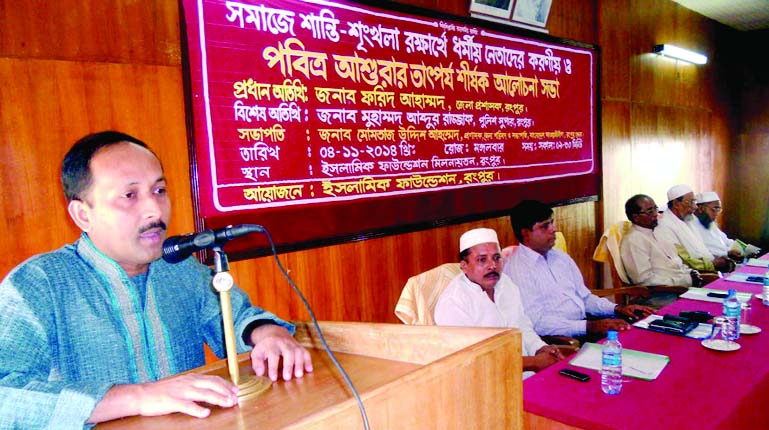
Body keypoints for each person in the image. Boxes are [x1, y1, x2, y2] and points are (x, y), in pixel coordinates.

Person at [0, 131, 313, 428]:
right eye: (129, 195)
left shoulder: (178, 269)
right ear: (83, 215)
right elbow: (6, 397)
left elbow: (236, 318)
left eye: (159, 191)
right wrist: (138, 397)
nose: (154, 209)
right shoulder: (38, 285)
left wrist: (268, 334)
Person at [502, 200, 654, 342]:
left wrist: (618, 309)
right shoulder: (517, 270)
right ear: (525, 233)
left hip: (586, 325)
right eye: (545, 226)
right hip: (561, 340)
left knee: (646, 336)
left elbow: (585, 298)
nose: (553, 229)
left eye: (552, 223)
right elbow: (537, 323)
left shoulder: (560, 257)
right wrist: (589, 327)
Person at [434, 228, 564, 376]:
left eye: (496, 258)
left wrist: (539, 347)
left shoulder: (506, 283)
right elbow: (474, 361)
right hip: (489, 386)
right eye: (482, 260)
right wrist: (534, 362)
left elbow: (521, 324)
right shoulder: (453, 302)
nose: (492, 266)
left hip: (529, 375)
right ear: (464, 266)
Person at [621, 194, 705, 289]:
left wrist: (690, 272)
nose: (655, 214)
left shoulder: (659, 232)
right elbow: (644, 280)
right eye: (650, 212)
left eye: (655, 209)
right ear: (636, 217)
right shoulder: (633, 240)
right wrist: (684, 281)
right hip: (661, 294)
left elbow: (675, 262)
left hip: (682, 286)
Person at [656, 184, 734, 273]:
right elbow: (683, 259)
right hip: (693, 274)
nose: (695, 207)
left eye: (695, 202)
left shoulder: (689, 219)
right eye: (691, 202)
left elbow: (700, 249)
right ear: (676, 204)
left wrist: (715, 259)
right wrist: (712, 263)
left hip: (709, 268)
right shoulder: (665, 225)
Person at [688, 191, 760, 261]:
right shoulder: (691, 226)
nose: (717, 213)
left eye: (719, 209)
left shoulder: (710, 223)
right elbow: (704, 252)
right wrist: (727, 253)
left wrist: (744, 249)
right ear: (700, 209)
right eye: (715, 208)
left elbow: (726, 240)